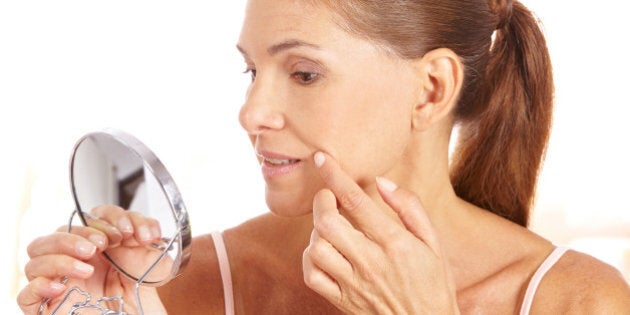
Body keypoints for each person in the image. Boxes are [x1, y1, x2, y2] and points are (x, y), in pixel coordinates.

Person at [17, 0, 630, 313]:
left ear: (431, 89)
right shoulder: (194, 286)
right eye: (252, 70)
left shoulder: (574, 301)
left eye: (304, 73)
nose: (252, 111)